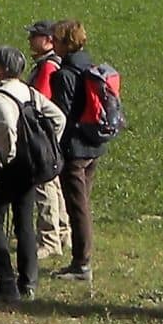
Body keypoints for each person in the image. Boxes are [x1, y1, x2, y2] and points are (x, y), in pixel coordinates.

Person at [0, 44, 63, 304]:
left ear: (3, 68)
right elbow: (58, 117)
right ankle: (28, 282)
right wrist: (49, 144)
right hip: (31, 166)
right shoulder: (28, 90)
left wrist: (5, 156)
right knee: (24, 222)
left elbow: (6, 125)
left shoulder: (0, 95)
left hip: (11, 167)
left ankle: (6, 282)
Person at [46, 18, 104, 282]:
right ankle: (81, 258)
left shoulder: (64, 75)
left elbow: (61, 117)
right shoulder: (90, 67)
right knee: (83, 203)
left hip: (74, 150)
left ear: (65, 43)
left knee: (77, 207)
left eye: (55, 40)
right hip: (94, 144)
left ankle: (82, 264)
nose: (52, 44)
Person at [26, 20, 71, 260]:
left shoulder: (46, 68)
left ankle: (49, 239)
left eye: (35, 36)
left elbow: (40, 104)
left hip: (44, 137)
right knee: (55, 185)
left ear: (48, 40)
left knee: (45, 187)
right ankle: (64, 232)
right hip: (57, 137)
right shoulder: (56, 63)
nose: (30, 40)